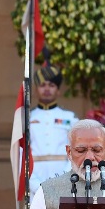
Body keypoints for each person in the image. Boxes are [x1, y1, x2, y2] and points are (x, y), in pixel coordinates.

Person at [28, 65, 78, 194]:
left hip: (64, 175)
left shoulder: (70, 118)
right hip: (35, 175)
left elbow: (77, 150)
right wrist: (33, 184)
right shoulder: (27, 118)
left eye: (51, 85)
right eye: (43, 85)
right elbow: (21, 153)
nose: (47, 89)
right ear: (36, 90)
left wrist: (66, 178)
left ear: (58, 90)